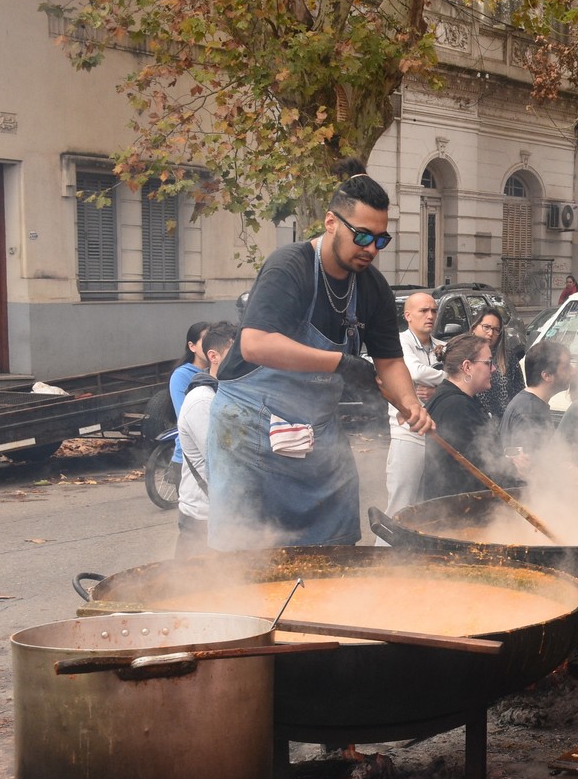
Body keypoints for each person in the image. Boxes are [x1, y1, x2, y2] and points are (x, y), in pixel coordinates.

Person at [208, 161, 434, 549]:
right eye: (362, 236)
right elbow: (255, 343)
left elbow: (390, 360)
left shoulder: (373, 287)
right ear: (331, 222)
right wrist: (340, 363)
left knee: (336, 543)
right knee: (247, 556)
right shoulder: (290, 266)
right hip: (248, 428)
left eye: (381, 240)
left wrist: (410, 403)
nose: (371, 249)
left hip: (315, 428)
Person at [174, 322, 236, 556]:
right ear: (214, 356)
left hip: (225, 518)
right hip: (202, 520)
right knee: (194, 590)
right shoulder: (202, 400)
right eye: (236, 353)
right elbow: (219, 461)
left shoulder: (227, 393)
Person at [383, 292, 444, 520]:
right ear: (408, 315)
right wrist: (447, 376)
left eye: (434, 310)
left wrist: (437, 388)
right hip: (407, 435)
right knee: (400, 507)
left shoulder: (442, 346)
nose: (430, 315)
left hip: (437, 436)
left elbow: (461, 381)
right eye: (423, 311)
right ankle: (382, 554)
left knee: (428, 508)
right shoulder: (400, 342)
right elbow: (415, 371)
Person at [421, 333, 502, 501]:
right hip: (454, 510)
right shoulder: (457, 407)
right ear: (467, 367)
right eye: (488, 363)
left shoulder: (457, 398)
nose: (493, 368)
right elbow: (482, 467)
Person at [500, 339, 571, 472]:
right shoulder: (530, 412)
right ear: (547, 376)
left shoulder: (530, 404)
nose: (572, 371)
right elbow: (529, 471)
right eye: (566, 367)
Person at [168, 320, 212, 466]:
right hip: (189, 458)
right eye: (205, 342)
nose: (211, 347)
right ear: (192, 346)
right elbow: (184, 416)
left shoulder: (217, 371)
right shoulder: (181, 376)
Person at [470, 306, 513, 420]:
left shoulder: (508, 358)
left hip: (504, 425)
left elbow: (518, 393)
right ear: (474, 327)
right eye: (486, 327)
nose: (490, 333)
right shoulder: (463, 355)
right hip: (475, 423)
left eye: (496, 329)